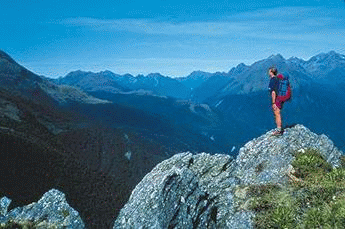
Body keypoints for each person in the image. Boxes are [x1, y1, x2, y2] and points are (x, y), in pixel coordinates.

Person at [268, 67, 284, 136]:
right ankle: (279, 128)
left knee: (277, 113)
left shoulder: (272, 80)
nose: (268, 73)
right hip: (280, 98)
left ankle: (279, 130)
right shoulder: (278, 79)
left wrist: (273, 102)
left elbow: (273, 92)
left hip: (276, 99)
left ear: (271, 72)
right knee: (278, 113)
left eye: (269, 71)